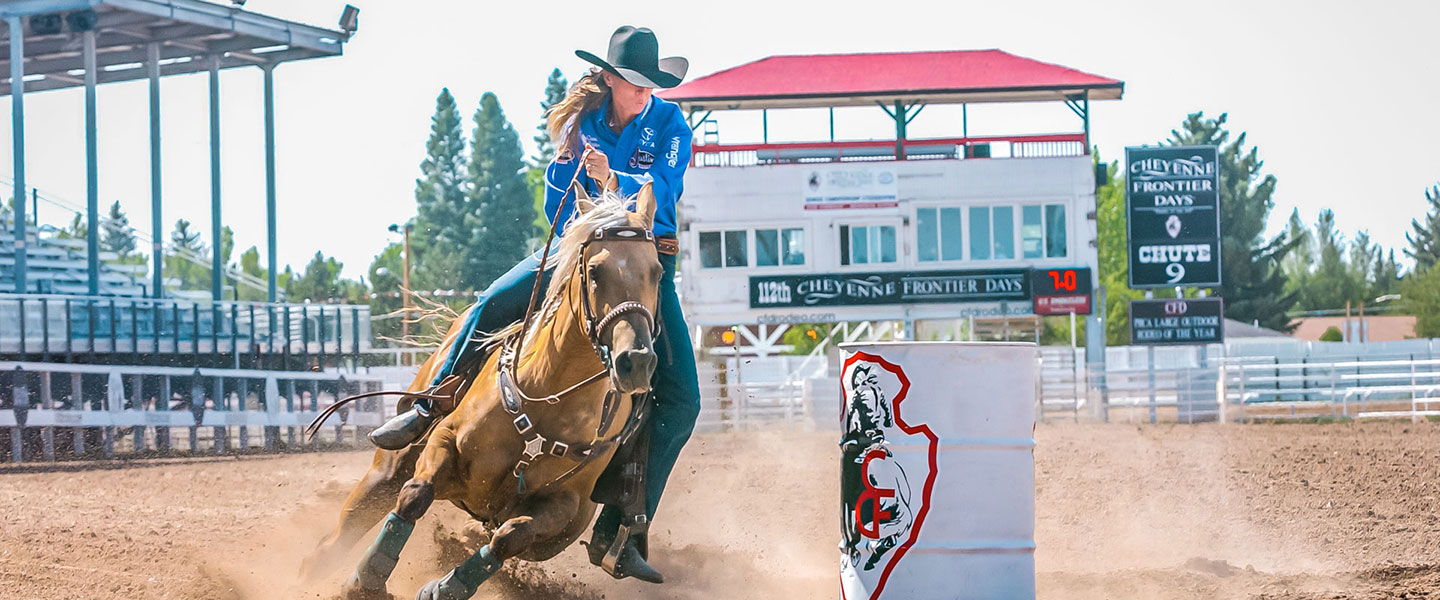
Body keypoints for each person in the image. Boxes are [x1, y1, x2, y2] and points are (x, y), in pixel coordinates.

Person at [370, 25, 699, 584]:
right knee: (491, 302)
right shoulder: (580, 128)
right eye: (636, 83)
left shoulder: (670, 125)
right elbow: (555, 202)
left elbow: (663, 190)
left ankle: (621, 530)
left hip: (641, 264)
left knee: (682, 399)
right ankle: (430, 406)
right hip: (577, 256)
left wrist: (611, 177)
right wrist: (582, 193)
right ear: (613, 79)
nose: (645, 93)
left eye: (650, 85)